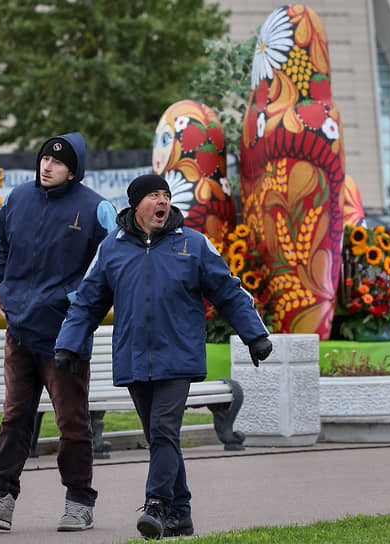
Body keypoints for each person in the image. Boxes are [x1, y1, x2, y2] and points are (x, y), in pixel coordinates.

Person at [54, 174, 273, 539]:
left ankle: (156, 505)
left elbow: (228, 291)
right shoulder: (112, 248)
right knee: (160, 439)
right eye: (154, 195)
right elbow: (87, 302)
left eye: (166, 195)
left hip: (178, 356)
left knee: (163, 431)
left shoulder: (194, 244)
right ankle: (181, 514)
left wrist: (255, 335)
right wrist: (67, 344)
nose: (163, 202)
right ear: (136, 203)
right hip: (135, 358)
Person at [0, 132, 117, 532]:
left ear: (73, 170)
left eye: (58, 162)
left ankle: (79, 501)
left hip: (66, 337)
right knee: (14, 417)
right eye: (45, 158)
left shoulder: (97, 209)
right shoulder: (17, 199)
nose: (47, 166)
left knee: (72, 422)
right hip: (20, 331)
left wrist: (74, 302)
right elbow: (1, 248)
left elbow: (113, 262)